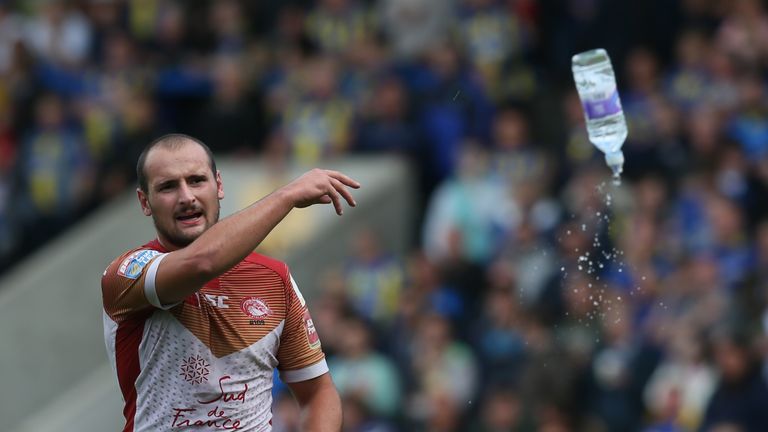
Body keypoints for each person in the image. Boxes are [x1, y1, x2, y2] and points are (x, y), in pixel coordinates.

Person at [101, 133, 359, 431]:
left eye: (197, 180)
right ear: (145, 202)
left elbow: (317, 392)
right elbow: (202, 262)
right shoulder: (128, 274)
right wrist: (286, 195)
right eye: (168, 187)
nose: (187, 197)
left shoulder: (274, 278)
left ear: (219, 185)